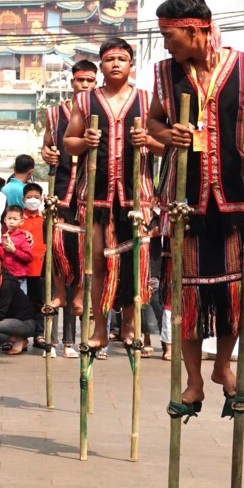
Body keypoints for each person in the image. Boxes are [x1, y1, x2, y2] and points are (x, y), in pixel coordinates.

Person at [147, 0, 244, 414]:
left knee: (233, 292)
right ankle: (194, 381)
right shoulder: (165, 73)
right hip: (185, 202)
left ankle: (223, 367)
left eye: (169, 35)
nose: (165, 44)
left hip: (234, 198)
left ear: (195, 30)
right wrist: (169, 136)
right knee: (186, 292)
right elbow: (153, 122)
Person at [64, 37, 164, 352]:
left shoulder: (148, 100)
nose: (116, 64)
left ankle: (132, 326)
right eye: (110, 59)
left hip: (137, 196)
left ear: (131, 64)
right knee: (95, 262)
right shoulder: (85, 101)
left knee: (135, 260)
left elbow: (169, 145)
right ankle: (99, 329)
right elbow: (69, 142)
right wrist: (85, 141)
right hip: (96, 195)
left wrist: (147, 138)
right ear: (101, 65)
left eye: (122, 58)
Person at [42, 59, 98, 317]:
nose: (85, 84)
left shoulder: (103, 110)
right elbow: (47, 145)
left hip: (93, 184)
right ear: (72, 81)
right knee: (56, 241)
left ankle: (79, 296)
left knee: (88, 242)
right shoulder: (55, 113)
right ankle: (60, 294)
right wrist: (46, 154)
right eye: (80, 80)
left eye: (90, 80)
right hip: (63, 183)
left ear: (96, 82)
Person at [21, 183, 48, 349]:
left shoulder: (45, 218)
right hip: (21, 267)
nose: (33, 200)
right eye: (29, 197)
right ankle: (20, 336)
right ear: (23, 199)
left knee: (39, 303)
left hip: (40, 268)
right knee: (21, 303)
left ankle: (39, 335)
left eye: (36, 198)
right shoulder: (17, 217)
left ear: (42, 198)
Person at [0, 205, 32, 293]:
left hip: (19, 278)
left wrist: (14, 251)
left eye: (15, 219)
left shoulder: (23, 237)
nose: (11, 221)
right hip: (4, 277)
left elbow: (28, 258)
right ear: (5, 220)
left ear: (21, 221)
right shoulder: (0, 237)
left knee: (20, 303)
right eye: (9, 218)